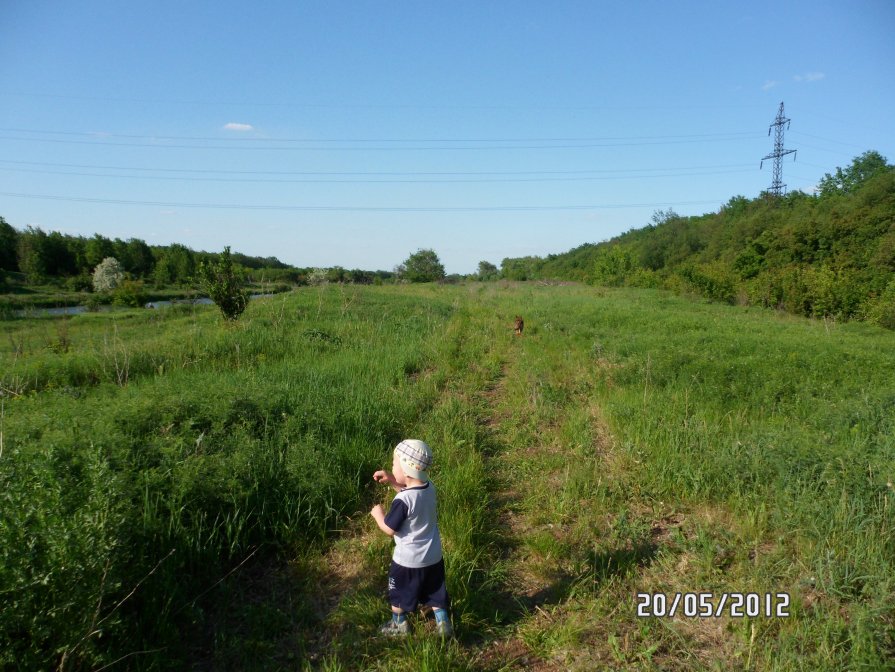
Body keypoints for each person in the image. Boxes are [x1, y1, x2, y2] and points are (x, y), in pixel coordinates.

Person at [370, 439, 453, 637]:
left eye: (394, 464)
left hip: (407, 562)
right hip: (433, 556)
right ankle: (443, 624)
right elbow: (411, 491)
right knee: (435, 591)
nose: (392, 466)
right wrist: (392, 480)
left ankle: (399, 625)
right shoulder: (429, 487)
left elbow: (389, 529)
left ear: (406, 469)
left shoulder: (402, 501)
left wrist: (378, 514)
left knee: (398, 593)